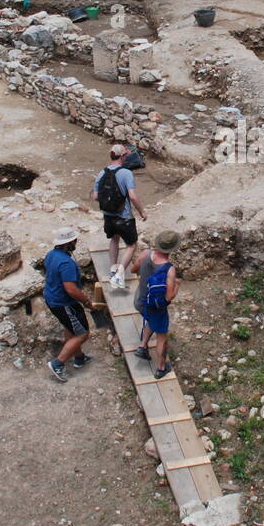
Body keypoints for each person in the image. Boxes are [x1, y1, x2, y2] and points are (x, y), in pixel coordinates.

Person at [93, 143, 147, 291]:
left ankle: (112, 268)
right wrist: (142, 212)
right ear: (123, 156)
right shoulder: (126, 173)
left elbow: (95, 196)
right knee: (131, 245)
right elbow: (133, 197)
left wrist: (108, 203)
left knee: (114, 239)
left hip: (108, 216)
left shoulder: (101, 173)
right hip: (124, 217)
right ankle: (119, 274)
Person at [43, 227, 93, 383]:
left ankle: (79, 358)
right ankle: (58, 364)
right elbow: (70, 288)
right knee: (82, 333)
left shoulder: (51, 254)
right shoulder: (67, 263)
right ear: (69, 243)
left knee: (70, 327)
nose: (76, 243)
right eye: (74, 241)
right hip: (64, 302)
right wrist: (86, 301)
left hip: (52, 297)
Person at [130, 230, 181, 380]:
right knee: (161, 337)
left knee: (151, 321)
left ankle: (143, 346)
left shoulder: (146, 254)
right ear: (172, 249)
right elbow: (169, 296)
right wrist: (177, 285)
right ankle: (161, 368)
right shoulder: (169, 269)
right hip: (156, 307)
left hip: (140, 301)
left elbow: (134, 269)